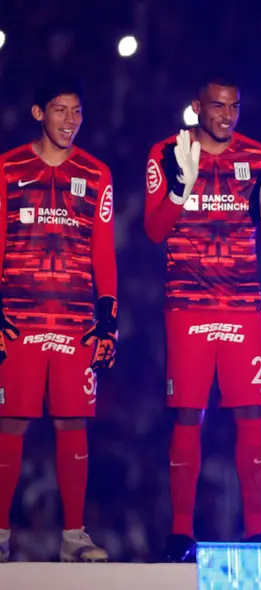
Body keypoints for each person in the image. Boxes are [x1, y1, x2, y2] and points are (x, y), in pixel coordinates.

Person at [144, 73, 261, 562]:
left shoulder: (260, 157)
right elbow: (153, 229)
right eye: (217, 106)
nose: (226, 115)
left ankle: (257, 531)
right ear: (197, 106)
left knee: (252, 414)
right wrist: (179, 190)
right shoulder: (167, 152)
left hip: (243, 306)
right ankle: (181, 532)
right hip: (187, 305)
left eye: (234, 107)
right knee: (189, 415)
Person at [0, 75, 118, 562]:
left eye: (77, 111)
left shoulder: (97, 173)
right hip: (18, 320)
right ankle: (1, 536)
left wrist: (107, 318)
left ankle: (74, 537)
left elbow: (104, 251)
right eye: (60, 110)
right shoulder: (6, 169)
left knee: (74, 423)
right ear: (37, 113)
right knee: (10, 424)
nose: (70, 120)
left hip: (73, 321)